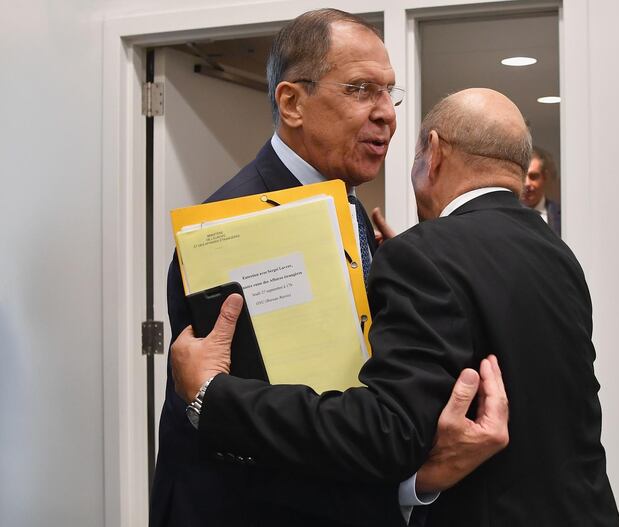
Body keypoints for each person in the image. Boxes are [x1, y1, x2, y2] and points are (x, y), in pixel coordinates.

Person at [172, 88, 619, 526]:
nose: (383, 112)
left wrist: (215, 396)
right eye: (361, 90)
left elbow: (388, 432)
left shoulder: (425, 252)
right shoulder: (557, 253)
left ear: (434, 151)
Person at [150, 9, 507, 527]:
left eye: (390, 93)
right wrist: (416, 481)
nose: (388, 114)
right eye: (362, 90)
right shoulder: (235, 227)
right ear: (292, 102)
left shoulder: (347, 208)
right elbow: (260, 426)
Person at [521, 146, 562, 236]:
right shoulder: (506, 215)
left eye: (533, 176)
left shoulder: (562, 215)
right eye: (522, 176)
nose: (527, 183)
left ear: (545, 177)